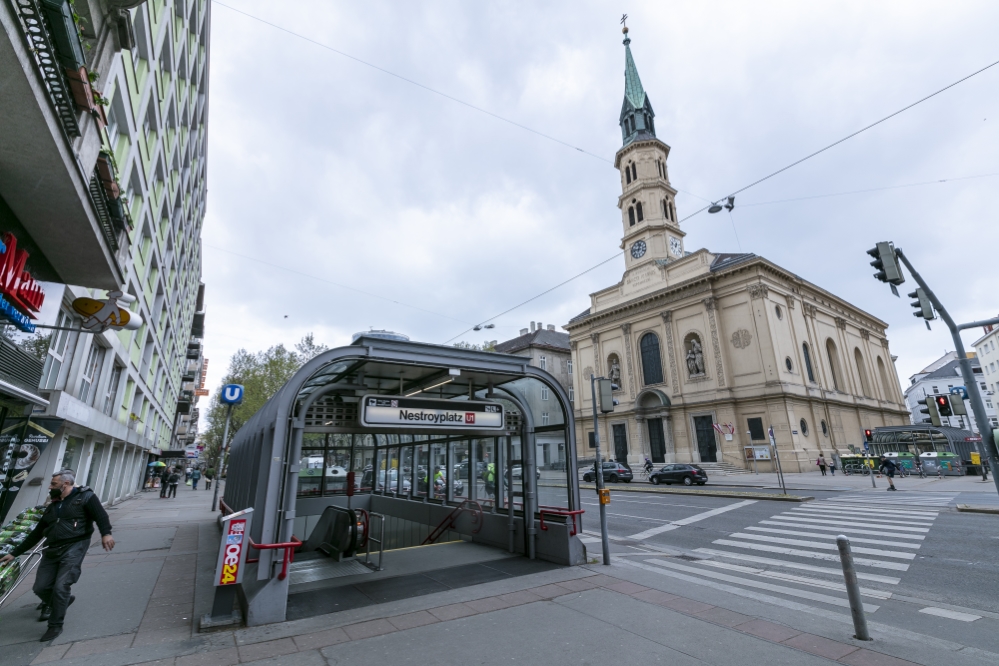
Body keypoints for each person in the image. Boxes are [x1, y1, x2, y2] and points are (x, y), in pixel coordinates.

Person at [0, 470, 114, 642]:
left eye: (53, 484)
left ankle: (55, 625)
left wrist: (106, 533)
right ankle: (62, 602)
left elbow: (101, 516)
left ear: (65, 484)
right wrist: (14, 553)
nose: (50, 487)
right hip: (52, 548)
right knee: (40, 587)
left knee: (61, 587)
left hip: (75, 545)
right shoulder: (53, 505)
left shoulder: (85, 497)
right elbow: (37, 533)